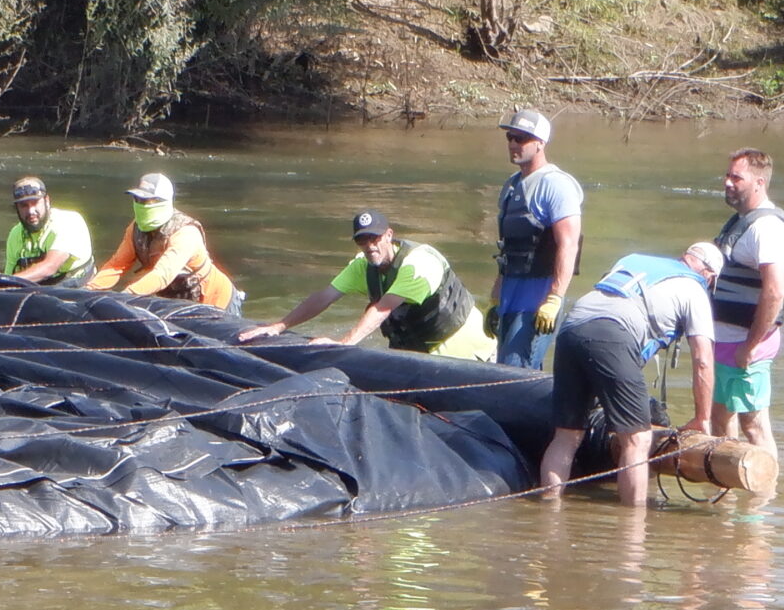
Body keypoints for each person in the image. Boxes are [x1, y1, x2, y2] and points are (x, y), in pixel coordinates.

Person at [538, 242, 722, 507]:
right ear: (709, 275)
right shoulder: (694, 289)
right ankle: (632, 531)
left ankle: (549, 511)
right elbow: (703, 360)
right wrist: (702, 419)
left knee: (567, 435)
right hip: (613, 334)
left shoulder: (633, 259)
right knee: (637, 439)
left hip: (572, 326)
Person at [237, 210, 496, 361]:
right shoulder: (363, 266)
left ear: (389, 236)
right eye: (362, 241)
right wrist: (278, 326)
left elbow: (383, 308)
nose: (370, 246)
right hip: (420, 354)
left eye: (375, 238)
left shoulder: (419, 265)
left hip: (466, 353)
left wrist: (344, 344)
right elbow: (325, 296)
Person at [710, 149, 784, 458]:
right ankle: (727, 495)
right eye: (727, 175)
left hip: (746, 345)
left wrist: (750, 345)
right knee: (719, 420)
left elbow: (774, 292)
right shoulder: (741, 221)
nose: (727, 182)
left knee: (754, 425)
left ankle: (762, 498)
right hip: (725, 341)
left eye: (736, 177)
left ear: (759, 182)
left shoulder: (767, 228)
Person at [489, 109, 582, 370]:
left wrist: (554, 299)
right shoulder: (510, 185)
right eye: (510, 137)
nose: (512, 144)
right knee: (507, 371)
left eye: (521, 139)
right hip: (510, 296)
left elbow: (568, 244)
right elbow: (508, 246)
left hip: (537, 299)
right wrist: (495, 298)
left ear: (540, 143)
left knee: (514, 374)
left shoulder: (557, 185)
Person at [86, 171, 235, 308]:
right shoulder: (135, 228)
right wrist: (89, 290)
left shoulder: (185, 233)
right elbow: (117, 265)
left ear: (163, 202)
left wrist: (126, 296)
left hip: (216, 301)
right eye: (137, 199)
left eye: (148, 201)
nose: (141, 205)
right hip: (175, 300)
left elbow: (162, 274)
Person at [0, 175, 94, 285]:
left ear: (47, 201)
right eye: (24, 205)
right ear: (17, 208)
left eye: (35, 202)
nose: (31, 211)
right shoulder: (15, 234)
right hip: (39, 290)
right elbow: (9, 275)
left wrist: (4, 281)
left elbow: (49, 267)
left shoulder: (69, 221)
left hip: (78, 290)